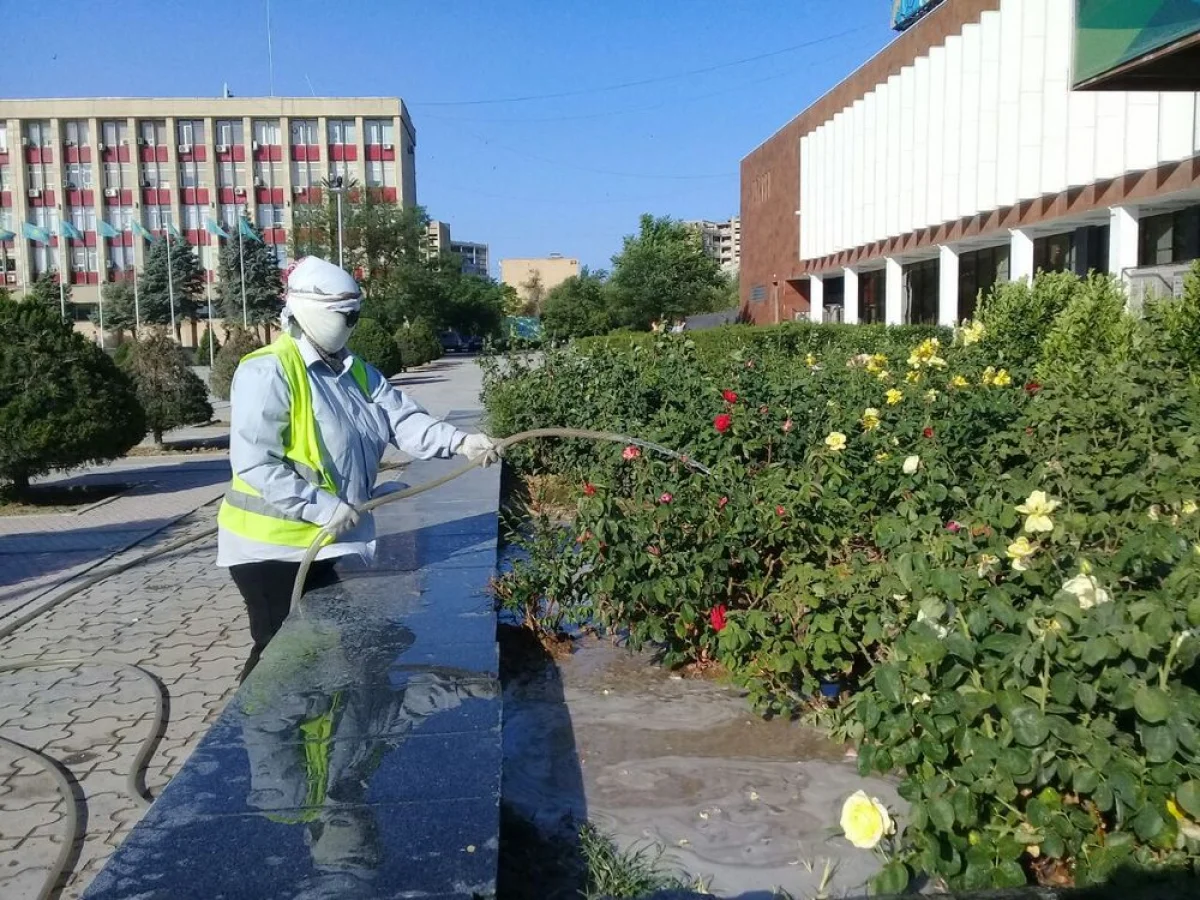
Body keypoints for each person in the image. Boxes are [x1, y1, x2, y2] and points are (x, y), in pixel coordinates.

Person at [217, 256, 497, 680]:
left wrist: (460, 441)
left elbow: (402, 419)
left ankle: (329, 729)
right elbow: (256, 463)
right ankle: (257, 738)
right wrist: (322, 507)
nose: (352, 323)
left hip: (322, 542)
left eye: (355, 315)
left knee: (322, 643)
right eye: (346, 315)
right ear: (314, 311)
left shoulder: (352, 371)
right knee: (278, 653)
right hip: (269, 548)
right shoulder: (268, 371)